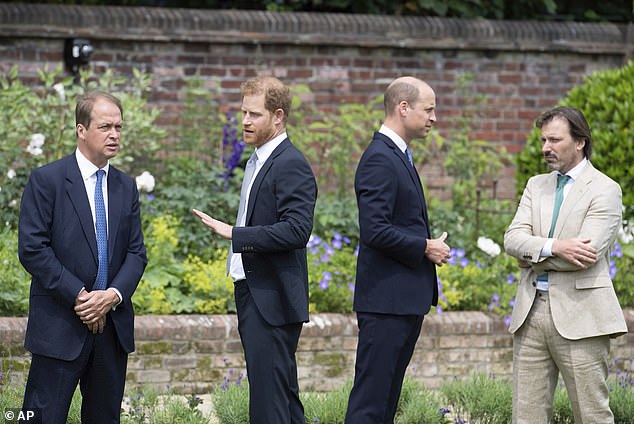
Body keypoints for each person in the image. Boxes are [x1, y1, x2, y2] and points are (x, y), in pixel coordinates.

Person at [192, 76, 317, 423]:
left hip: (272, 299)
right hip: (255, 293)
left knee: (268, 405)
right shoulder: (259, 160)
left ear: (278, 117)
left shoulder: (290, 163)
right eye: (243, 113)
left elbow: (297, 230)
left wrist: (236, 234)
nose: (245, 121)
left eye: (254, 114)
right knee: (282, 400)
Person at [18, 91, 147, 423]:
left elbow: (136, 252)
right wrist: (80, 296)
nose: (115, 134)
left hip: (111, 330)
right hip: (60, 326)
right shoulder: (46, 181)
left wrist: (112, 296)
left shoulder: (125, 186)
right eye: (105, 126)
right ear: (81, 130)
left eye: (119, 127)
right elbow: (32, 249)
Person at [504, 106, 628, 423]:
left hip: (583, 316)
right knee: (526, 416)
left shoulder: (606, 189)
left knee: (591, 415)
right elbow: (512, 239)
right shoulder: (536, 184)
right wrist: (555, 246)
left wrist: (531, 256)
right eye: (543, 140)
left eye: (555, 140)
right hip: (530, 315)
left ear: (579, 142)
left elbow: (585, 256)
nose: (546, 148)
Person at [345, 76, 452, 424]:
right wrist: (425, 247)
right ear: (403, 108)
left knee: (386, 401)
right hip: (385, 304)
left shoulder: (398, 155)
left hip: (401, 301)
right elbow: (374, 230)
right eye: (429, 109)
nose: (434, 117)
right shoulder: (379, 158)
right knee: (370, 404)